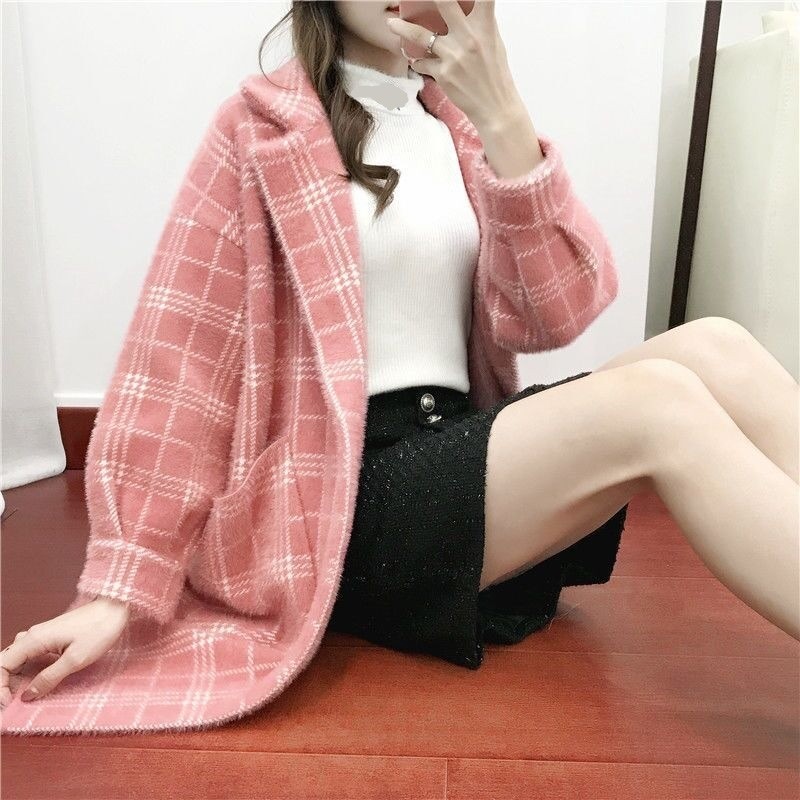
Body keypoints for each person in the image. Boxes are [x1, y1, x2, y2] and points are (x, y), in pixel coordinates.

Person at [2, 1, 798, 724]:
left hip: (452, 453)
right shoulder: (260, 130)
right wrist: (121, 585)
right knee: (659, 403)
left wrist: (503, 112)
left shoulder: (460, 129)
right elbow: (181, 361)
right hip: (341, 501)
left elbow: (555, 313)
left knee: (715, 346)